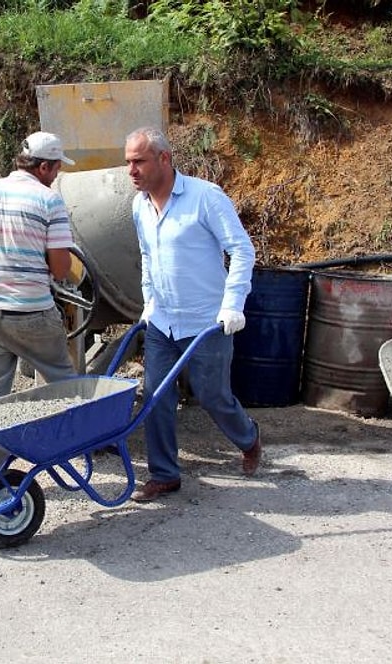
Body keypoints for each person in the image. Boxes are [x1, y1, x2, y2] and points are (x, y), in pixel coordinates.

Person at [124, 126, 262, 503]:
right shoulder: (139, 205)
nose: (131, 171)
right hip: (163, 321)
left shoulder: (205, 197)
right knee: (155, 397)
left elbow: (242, 250)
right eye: (128, 163)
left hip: (207, 321)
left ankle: (249, 439)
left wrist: (233, 304)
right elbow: (148, 257)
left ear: (164, 159)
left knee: (212, 395)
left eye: (139, 161)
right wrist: (149, 300)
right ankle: (165, 474)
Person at [0, 131, 79, 491]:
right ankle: (72, 451)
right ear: (43, 167)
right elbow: (60, 269)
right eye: (55, 168)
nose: (56, 175)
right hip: (33, 314)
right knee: (67, 385)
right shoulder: (48, 201)